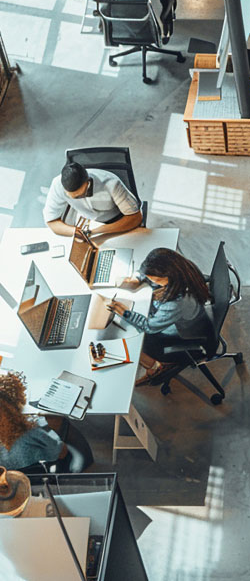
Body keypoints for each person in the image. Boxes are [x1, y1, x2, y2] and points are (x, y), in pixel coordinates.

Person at [109, 247, 214, 386]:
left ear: (169, 276)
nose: (153, 281)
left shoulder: (177, 302)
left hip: (184, 339)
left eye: (156, 279)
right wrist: (137, 277)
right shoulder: (184, 268)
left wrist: (125, 313)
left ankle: (155, 368)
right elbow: (147, 270)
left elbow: (149, 327)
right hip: (194, 322)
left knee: (130, 338)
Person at [0, 371, 92, 472]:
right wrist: (44, 425)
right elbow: (61, 452)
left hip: (9, 478)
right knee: (62, 423)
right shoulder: (31, 431)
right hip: (39, 476)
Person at [44, 160, 142, 238]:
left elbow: (136, 218)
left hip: (115, 221)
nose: (79, 199)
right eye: (74, 198)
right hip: (88, 224)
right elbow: (51, 222)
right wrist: (76, 232)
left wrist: (99, 232)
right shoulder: (57, 185)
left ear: (88, 182)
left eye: (81, 195)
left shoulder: (111, 183)